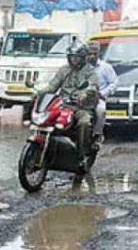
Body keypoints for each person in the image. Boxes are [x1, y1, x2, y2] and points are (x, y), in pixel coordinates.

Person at [38, 41, 99, 172]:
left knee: (84, 122)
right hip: (63, 104)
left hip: (81, 107)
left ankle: (82, 155)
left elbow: (92, 86)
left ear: (83, 58)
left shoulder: (90, 71)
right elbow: (52, 86)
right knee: (45, 119)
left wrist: (85, 93)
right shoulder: (64, 70)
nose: (74, 59)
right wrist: (38, 92)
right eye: (72, 56)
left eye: (77, 57)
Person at [86, 41, 117, 142]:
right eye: (89, 53)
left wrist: (102, 93)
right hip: (81, 98)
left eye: (94, 54)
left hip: (98, 98)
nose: (92, 56)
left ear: (99, 54)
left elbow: (114, 83)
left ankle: (97, 135)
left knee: (101, 111)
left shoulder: (106, 67)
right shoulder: (81, 68)